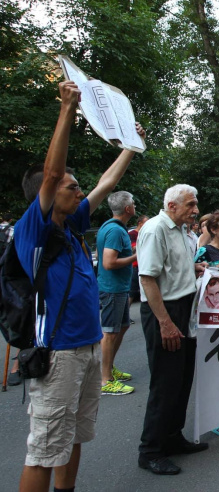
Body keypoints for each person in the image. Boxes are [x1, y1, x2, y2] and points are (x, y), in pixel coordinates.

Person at [16, 81, 142, 492]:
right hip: (59, 353)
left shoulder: (70, 227)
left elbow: (106, 183)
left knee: (73, 437)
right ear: (48, 193)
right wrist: (68, 108)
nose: (80, 191)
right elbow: (53, 173)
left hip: (87, 347)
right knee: (45, 448)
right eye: (72, 187)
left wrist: (130, 146)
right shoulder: (33, 229)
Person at [137, 184, 209, 475]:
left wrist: (195, 270)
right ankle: (150, 451)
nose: (195, 210)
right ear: (172, 206)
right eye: (191, 205)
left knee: (182, 379)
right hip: (164, 312)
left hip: (184, 309)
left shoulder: (182, 230)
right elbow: (148, 279)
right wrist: (165, 323)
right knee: (165, 384)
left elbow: (173, 269)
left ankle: (172, 437)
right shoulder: (155, 229)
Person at [97, 191, 138, 396]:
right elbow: (109, 262)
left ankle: (109, 368)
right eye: (133, 203)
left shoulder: (114, 228)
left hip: (119, 288)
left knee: (120, 328)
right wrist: (136, 256)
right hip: (112, 288)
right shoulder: (115, 231)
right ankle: (105, 380)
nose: (135, 206)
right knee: (110, 332)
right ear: (127, 209)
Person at [128, 214, 149, 305]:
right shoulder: (132, 234)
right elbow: (133, 248)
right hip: (135, 266)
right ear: (140, 223)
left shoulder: (146, 233)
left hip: (144, 264)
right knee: (132, 292)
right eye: (146, 223)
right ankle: (126, 316)